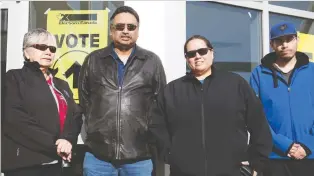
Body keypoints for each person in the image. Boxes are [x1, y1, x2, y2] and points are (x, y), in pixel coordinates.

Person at [148, 35, 272, 176]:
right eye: (191, 54)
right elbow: (157, 126)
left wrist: (258, 160)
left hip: (230, 171)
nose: (197, 56)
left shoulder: (235, 84)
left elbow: (258, 123)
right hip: (184, 172)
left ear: (212, 53)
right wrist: (170, 154)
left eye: (202, 51)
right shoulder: (172, 90)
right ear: (186, 58)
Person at [78, 6, 166, 176]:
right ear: (111, 30)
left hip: (139, 156)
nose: (125, 31)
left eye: (131, 27)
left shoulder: (151, 61)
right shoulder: (93, 60)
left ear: (137, 31)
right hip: (98, 156)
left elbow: (160, 103)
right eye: (119, 27)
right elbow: (85, 100)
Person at [1, 28, 82, 176]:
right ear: (26, 52)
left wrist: (68, 140)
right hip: (25, 165)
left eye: (51, 48)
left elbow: (75, 117)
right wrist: (55, 143)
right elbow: (14, 120)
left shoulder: (61, 84)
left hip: (56, 164)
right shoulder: (13, 78)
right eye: (41, 47)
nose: (48, 52)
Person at [250, 21, 314, 176]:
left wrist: (308, 144)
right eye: (279, 41)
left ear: (297, 40)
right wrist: (284, 145)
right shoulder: (259, 74)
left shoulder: (312, 71)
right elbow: (255, 117)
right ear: (272, 44)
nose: (284, 45)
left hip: (310, 155)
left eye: (289, 39)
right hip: (275, 158)